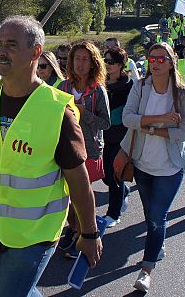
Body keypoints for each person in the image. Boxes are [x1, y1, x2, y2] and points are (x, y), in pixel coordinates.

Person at [0, 16, 102, 297]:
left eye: (12, 45)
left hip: (35, 236)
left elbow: (78, 180)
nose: (1, 51)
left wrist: (89, 233)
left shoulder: (56, 111)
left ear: (36, 51)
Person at [123, 42, 185, 293]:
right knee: (150, 214)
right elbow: (127, 118)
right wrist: (161, 121)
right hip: (142, 163)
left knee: (156, 216)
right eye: (152, 58)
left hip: (170, 167)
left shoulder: (181, 93)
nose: (155, 63)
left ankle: (146, 269)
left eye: (161, 59)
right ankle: (158, 241)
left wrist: (151, 129)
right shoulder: (141, 87)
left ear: (172, 62)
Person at [58, 41, 110, 257]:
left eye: (85, 59)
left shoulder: (98, 91)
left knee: (81, 193)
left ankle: (84, 234)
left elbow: (105, 123)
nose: (80, 64)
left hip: (88, 150)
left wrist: (83, 113)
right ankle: (75, 228)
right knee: (67, 195)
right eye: (77, 59)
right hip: (65, 148)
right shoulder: (63, 88)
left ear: (92, 63)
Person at [102, 48, 133, 228]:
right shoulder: (101, 82)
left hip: (121, 137)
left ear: (121, 65)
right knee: (106, 176)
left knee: (114, 176)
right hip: (104, 135)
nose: (107, 64)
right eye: (105, 60)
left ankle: (113, 214)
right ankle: (124, 192)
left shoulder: (129, 86)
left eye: (111, 61)